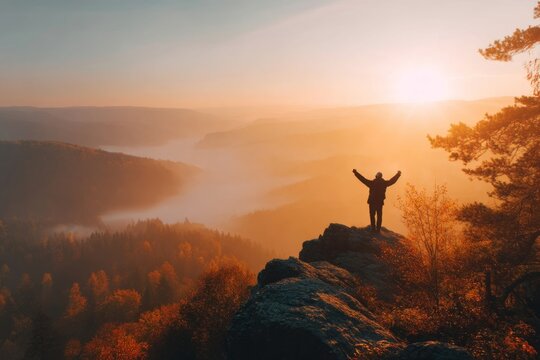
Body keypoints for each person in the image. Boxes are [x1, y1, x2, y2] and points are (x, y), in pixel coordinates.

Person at [352, 169, 401, 233]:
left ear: (376, 176)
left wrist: (355, 173)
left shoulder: (372, 183)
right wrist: (398, 174)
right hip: (379, 202)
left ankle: (373, 229)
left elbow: (362, 179)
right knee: (379, 216)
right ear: (381, 177)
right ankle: (378, 230)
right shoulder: (384, 183)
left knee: (372, 215)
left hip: (372, 202)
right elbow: (392, 181)